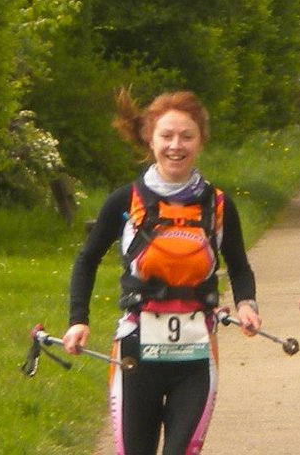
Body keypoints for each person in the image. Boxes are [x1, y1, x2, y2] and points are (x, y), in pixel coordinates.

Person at [62, 89, 261, 455]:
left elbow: (239, 265)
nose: (176, 146)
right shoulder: (125, 200)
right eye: (166, 136)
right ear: (150, 139)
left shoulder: (218, 205)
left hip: (196, 355)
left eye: (187, 136)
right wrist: (78, 321)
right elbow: (87, 260)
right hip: (136, 352)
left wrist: (247, 304)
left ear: (201, 141)